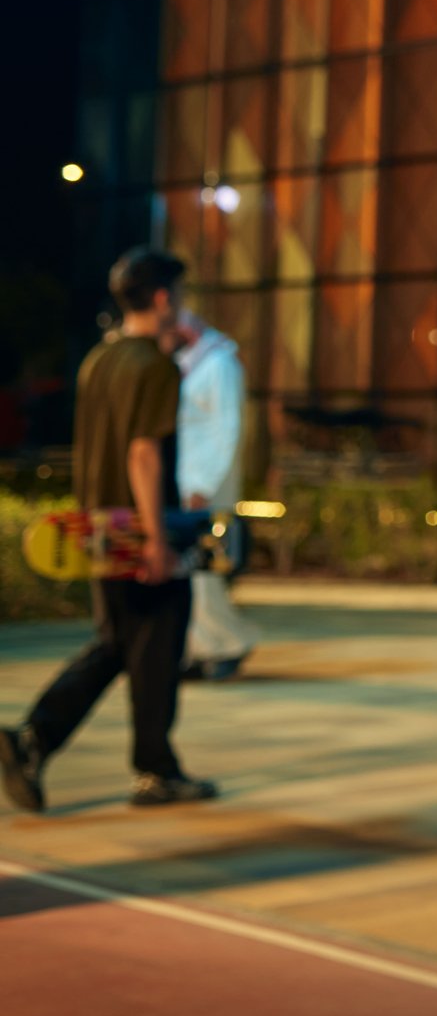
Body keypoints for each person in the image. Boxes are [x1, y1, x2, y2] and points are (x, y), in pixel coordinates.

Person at [0, 248, 217, 813]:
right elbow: (143, 453)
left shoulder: (99, 360)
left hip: (98, 530)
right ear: (164, 298)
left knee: (119, 645)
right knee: (158, 645)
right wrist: (156, 539)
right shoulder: (155, 366)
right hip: (137, 531)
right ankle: (154, 771)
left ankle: (34, 740)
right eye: (180, 294)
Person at [171, 301, 255, 682]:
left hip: (205, 488)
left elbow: (226, 429)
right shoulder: (192, 363)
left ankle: (227, 644)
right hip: (189, 484)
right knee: (190, 573)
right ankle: (199, 648)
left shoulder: (219, 364)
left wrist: (203, 486)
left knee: (205, 572)